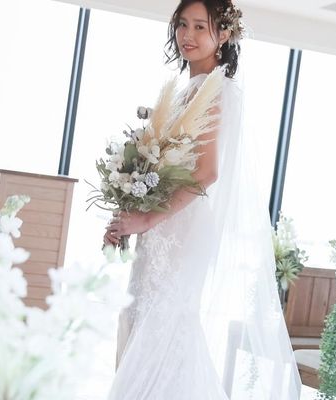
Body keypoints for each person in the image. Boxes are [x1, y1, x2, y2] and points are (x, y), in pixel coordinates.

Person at [105, 1, 301, 398]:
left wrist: (147, 219)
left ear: (223, 34)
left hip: (183, 228)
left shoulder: (215, 90)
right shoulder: (187, 90)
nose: (187, 35)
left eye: (199, 26)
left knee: (163, 326)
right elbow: (160, 170)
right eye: (182, 24)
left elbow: (207, 172)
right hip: (163, 225)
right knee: (145, 320)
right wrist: (130, 212)